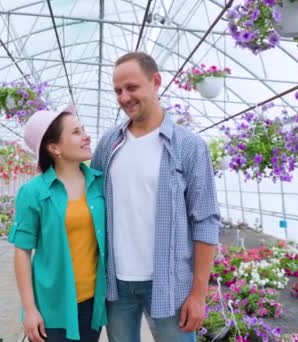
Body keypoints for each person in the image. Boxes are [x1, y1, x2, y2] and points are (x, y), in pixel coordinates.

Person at [91, 52, 221, 342]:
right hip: (116, 284)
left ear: (156, 81)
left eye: (132, 87)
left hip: (169, 284)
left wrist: (199, 294)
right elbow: (90, 206)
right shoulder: (108, 145)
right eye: (117, 91)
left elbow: (206, 221)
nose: (124, 97)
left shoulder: (189, 147)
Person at [9, 105, 107, 342]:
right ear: (54, 147)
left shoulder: (100, 183)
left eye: (83, 129)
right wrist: (30, 310)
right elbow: (22, 251)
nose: (86, 136)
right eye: (76, 132)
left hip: (92, 302)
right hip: (51, 304)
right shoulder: (33, 192)